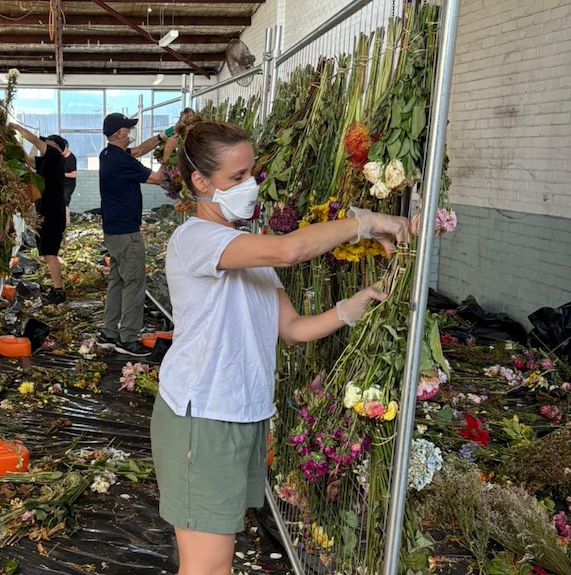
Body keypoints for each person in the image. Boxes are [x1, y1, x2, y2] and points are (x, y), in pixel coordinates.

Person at [150, 121, 411, 575]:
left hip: (242, 414)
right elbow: (290, 251)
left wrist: (353, 307)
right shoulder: (197, 238)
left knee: (215, 562)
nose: (249, 186)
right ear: (200, 182)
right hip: (203, 417)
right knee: (206, 568)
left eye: (251, 173)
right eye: (236, 178)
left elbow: (291, 328)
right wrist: (366, 223)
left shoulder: (246, 250)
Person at [97, 112, 177, 357]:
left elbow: (140, 150)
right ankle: (128, 339)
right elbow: (158, 178)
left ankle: (108, 333)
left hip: (113, 230)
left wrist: (165, 135)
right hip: (127, 233)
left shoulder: (109, 154)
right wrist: (169, 153)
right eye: (128, 130)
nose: (130, 134)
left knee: (118, 280)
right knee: (134, 283)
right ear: (120, 133)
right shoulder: (122, 162)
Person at [8, 123, 68, 305]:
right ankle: (57, 289)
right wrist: (10, 141)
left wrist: (16, 127)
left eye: (48, 144)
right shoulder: (46, 162)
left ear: (55, 147)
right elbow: (26, 158)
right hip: (45, 213)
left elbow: (34, 140)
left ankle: (59, 291)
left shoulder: (56, 157)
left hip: (52, 214)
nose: (44, 146)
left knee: (50, 254)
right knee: (47, 253)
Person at [62, 141, 77, 225]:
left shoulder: (71, 158)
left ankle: (67, 222)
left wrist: (61, 174)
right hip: (61, 184)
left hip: (68, 185)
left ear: (66, 147)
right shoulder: (61, 158)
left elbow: (74, 174)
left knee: (65, 202)